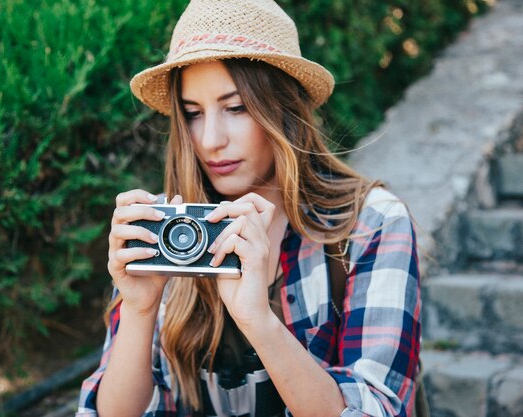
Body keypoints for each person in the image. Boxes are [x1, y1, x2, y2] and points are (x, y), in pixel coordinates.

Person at [77, 0, 421, 416]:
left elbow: (376, 409)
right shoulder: (165, 234)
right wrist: (140, 308)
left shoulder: (371, 224)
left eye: (236, 107)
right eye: (192, 113)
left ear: (285, 107)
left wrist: (260, 321)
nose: (209, 140)